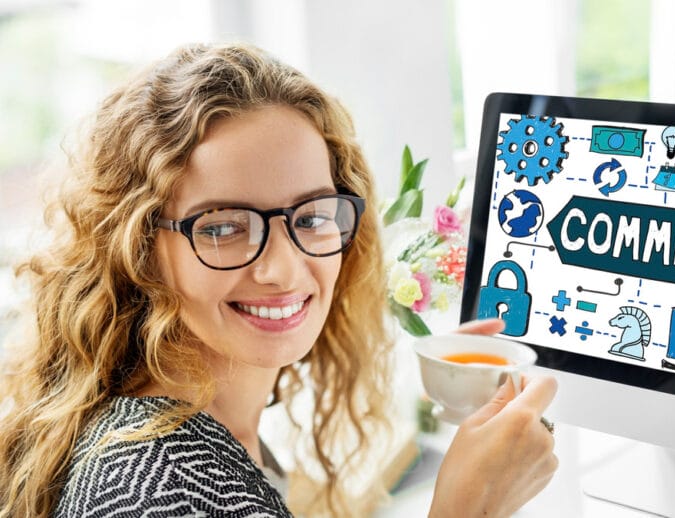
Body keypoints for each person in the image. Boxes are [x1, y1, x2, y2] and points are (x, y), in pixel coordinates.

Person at [0, 43, 558, 517]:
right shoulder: (157, 487)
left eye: (312, 216)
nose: (283, 269)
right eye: (223, 228)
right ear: (138, 246)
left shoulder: (205, 431)